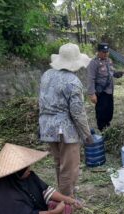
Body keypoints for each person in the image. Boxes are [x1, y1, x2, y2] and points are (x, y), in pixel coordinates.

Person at [39, 43, 92, 197]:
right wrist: (87, 135)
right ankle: (67, 201)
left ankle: (63, 195)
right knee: (69, 168)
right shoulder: (73, 81)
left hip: (47, 126)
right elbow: (77, 113)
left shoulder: (47, 74)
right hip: (65, 130)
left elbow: (42, 101)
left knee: (59, 163)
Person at [0, 143, 82, 214]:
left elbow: (45, 190)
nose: (29, 170)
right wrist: (54, 212)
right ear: (17, 172)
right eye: (26, 168)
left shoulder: (29, 176)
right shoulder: (6, 194)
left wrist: (68, 200)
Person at [87, 43, 123, 131]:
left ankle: (107, 126)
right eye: (104, 52)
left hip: (110, 91)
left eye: (107, 52)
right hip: (101, 92)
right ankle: (102, 130)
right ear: (98, 52)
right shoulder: (93, 63)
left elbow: (111, 72)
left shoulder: (109, 61)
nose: (106, 54)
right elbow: (90, 78)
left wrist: (117, 74)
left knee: (109, 111)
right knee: (101, 112)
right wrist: (92, 94)